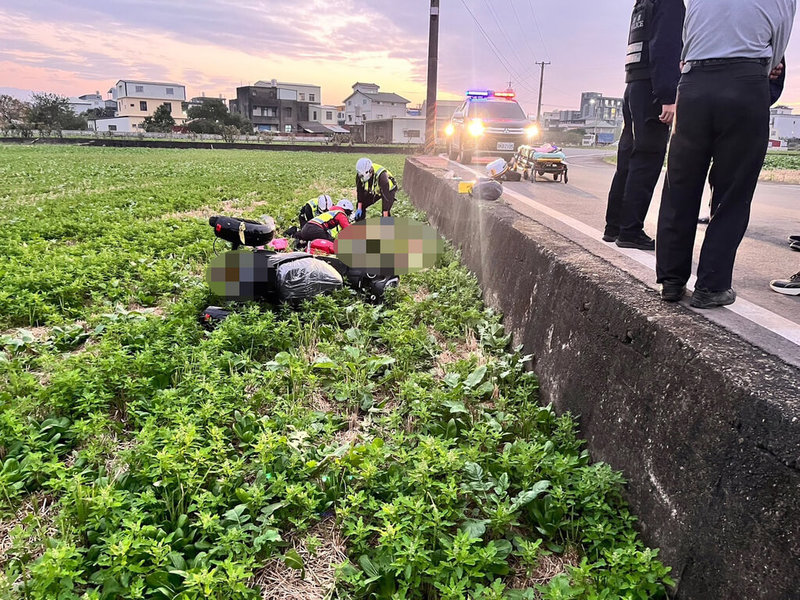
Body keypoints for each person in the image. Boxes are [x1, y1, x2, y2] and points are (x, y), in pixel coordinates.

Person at [656, 0, 795, 308]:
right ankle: (712, 285)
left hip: (692, 85)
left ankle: (671, 280)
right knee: (733, 190)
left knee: (680, 183)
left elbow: (686, 43)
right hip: (744, 83)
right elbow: (777, 50)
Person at [602, 0, 685, 251]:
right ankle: (630, 231)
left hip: (633, 87)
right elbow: (665, 48)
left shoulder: (642, 3)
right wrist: (668, 96)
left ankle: (613, 227)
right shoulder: (670, 3)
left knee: (627, 159)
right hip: (652, 88)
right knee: (647, 160)